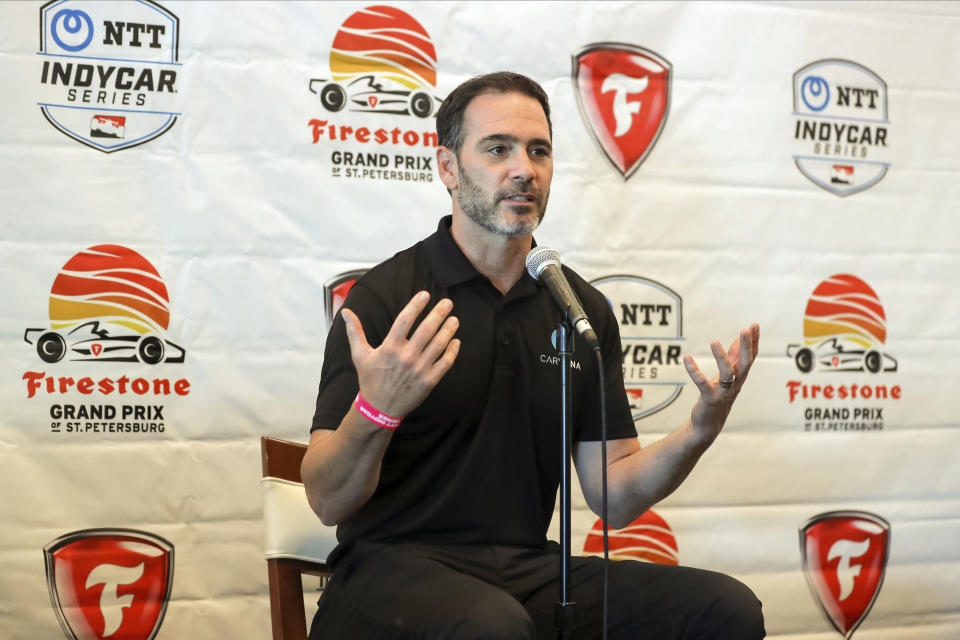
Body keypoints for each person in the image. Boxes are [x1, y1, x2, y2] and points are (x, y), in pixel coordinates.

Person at [301, 71, 764, 639]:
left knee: (724, 608)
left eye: (538, 150)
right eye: (497, 148)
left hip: (522, 571)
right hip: (386, 570)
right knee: (493, 628)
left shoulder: (577, 308)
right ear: (447, 167)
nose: (523, 168)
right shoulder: (391, 299)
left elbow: (613, 495)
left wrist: (696, 432)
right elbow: (326, 498)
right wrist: (377, 408)